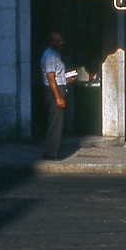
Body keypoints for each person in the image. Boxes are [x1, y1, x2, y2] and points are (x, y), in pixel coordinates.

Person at [41, 31, 70, 160]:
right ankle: (51, 153)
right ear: (51, 42)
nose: (61, 44)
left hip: (59, 87)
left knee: (58, 122)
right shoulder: (50, 57)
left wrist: (66, 79)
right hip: (54, 90)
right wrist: (58, 97)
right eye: (58, 41)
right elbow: (51, 79)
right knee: (55, 123)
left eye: (62, 40)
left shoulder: (55, 55)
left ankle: (53, 151)